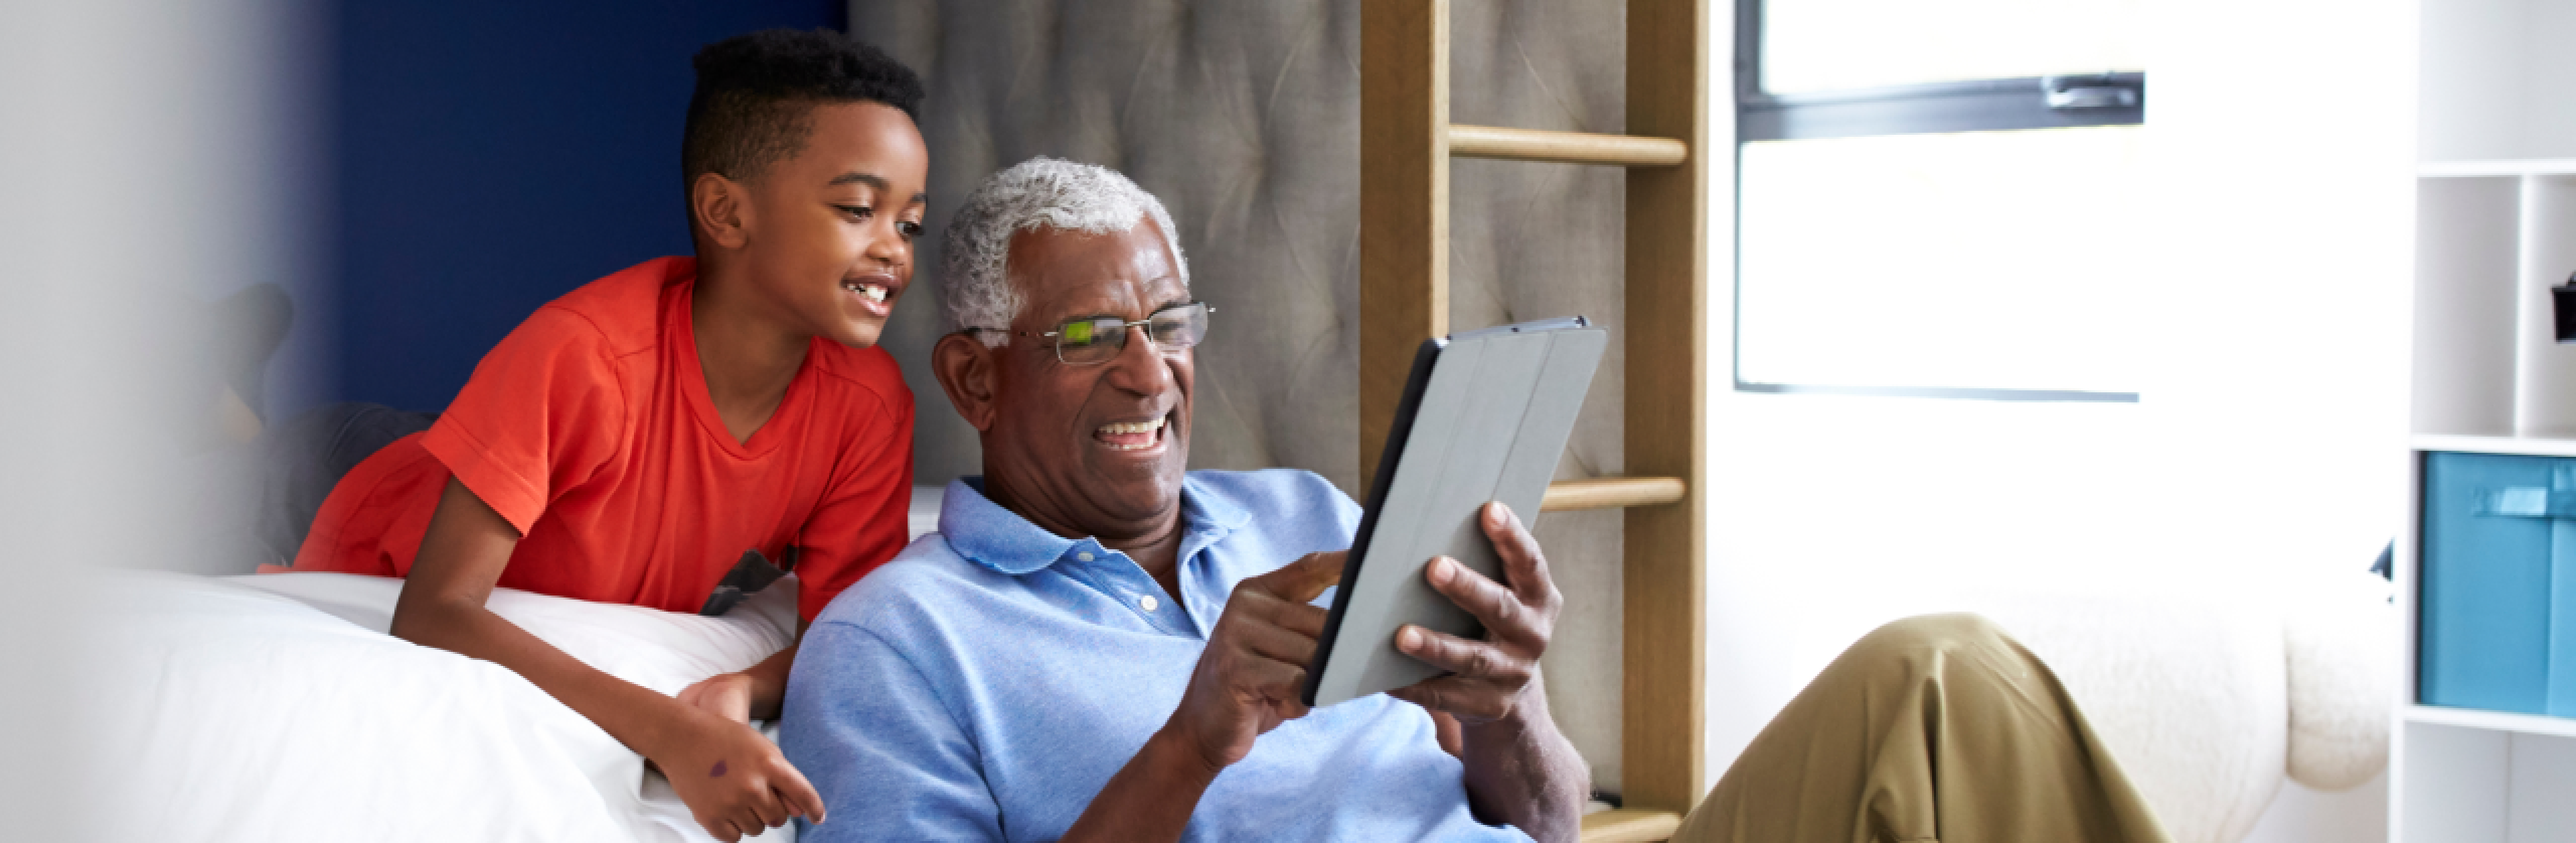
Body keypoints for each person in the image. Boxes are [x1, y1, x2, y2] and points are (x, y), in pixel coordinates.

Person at [782, 158, 2172, 842]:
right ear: (972, 374)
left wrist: (1512, 711)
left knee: (1946, 676)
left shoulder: (1303, 513)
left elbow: (1554, 817)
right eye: (1091, 336)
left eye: (1172, 318)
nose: (1151, 368)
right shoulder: (896, 643)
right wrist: (1189, 746)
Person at [287, 29, 926, 841]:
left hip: (526, 466)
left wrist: (743, 689)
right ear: (728, 212)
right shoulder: (581, 355)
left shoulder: (869, 406)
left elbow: (844, 639)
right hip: (357, 485)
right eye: (857, 209)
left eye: (910, 224)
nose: (893, 252)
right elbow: (435, 613)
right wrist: (669, 727)